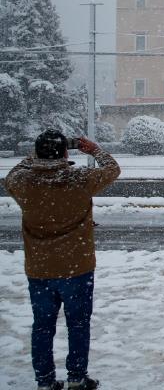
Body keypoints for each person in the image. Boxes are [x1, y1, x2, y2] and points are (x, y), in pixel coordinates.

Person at [4, 130, 120, 390]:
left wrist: (35, 156)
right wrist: (94, 150)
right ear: (65, 153)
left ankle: (45, 381)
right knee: (78, 324)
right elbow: (112, 169)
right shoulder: (80, 179)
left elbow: (10, 176)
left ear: (37, 153)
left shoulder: (23, 182)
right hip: (77, 267)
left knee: (42, 326)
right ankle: (77, 378)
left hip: (39, 269)